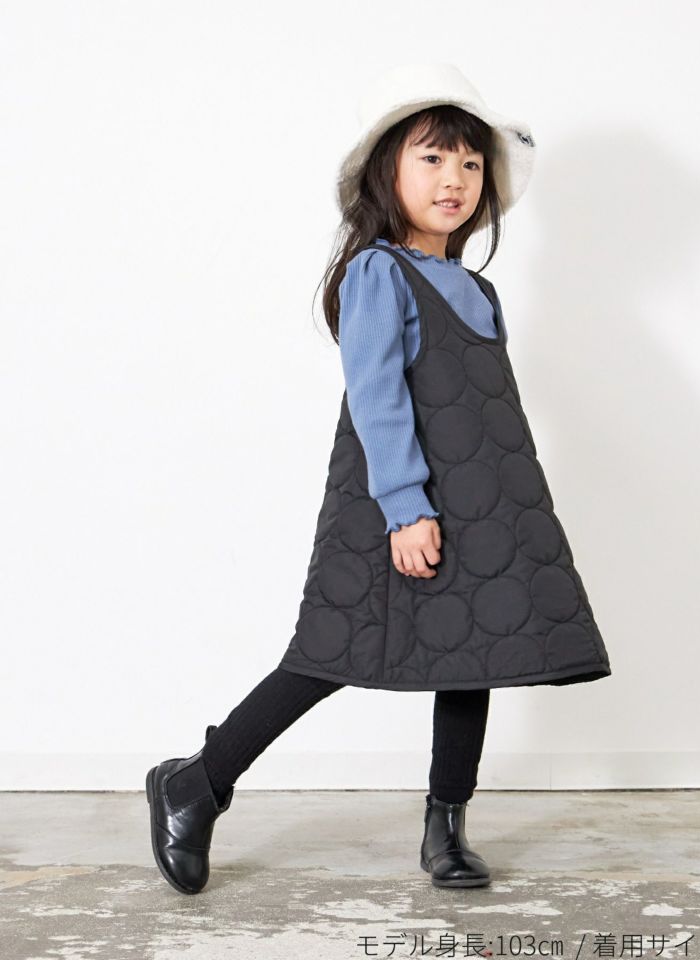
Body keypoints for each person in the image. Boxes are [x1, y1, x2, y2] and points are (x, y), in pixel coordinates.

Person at [146, 61, 612, 897]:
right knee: (329, 652)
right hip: (397, 503)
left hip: (478, 503)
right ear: (386, 172)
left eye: (471, 164)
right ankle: (197, 781)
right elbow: (378, 395)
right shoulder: (379, 273)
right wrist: (404, 506)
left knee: (475, 652)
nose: (455, 179)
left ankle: (446, 826)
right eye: (432, 159)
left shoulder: (476, 289)